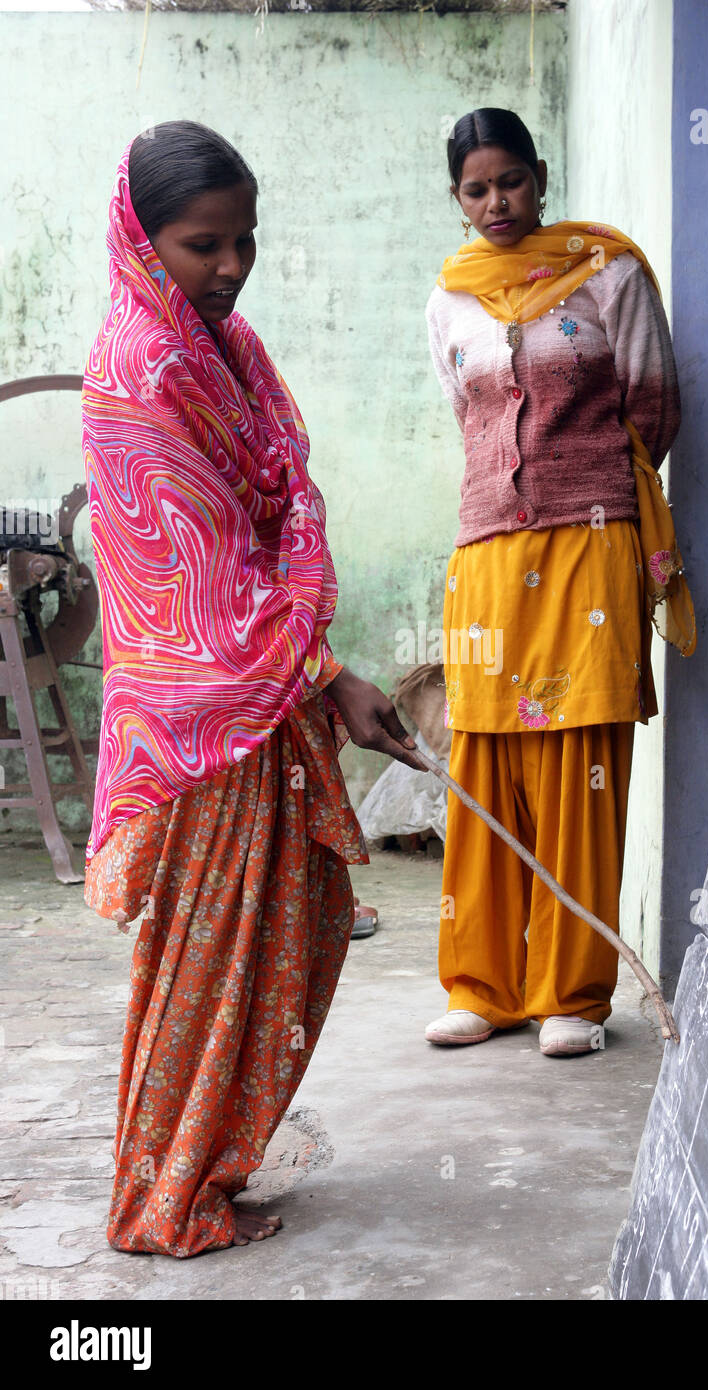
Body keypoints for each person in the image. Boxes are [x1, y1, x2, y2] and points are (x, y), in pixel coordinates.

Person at [82, 121, 425, 1257]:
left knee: (281, 933)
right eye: (203, 244)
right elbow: (204, 581)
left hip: (262, 693)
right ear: (144, 239)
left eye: (246, 240)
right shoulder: (144, 367)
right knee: (212, 966)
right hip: (203, 722)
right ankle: (161, 1195)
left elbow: (279, 507)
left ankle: (203, 1167)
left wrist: (321, 685)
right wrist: (333, 680)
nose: (230, 266)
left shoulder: (227, 347)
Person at [424, 108, 695, 1058]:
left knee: (580, 758)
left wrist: (585, 488)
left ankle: (571, 994)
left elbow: (653, 406)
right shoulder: (450, 299)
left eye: (510, 181)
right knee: (485, 760)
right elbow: (468, 413)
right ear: (456, 200)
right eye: (475, 189)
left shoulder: (608, 273)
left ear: (540, 177)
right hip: (488, 549)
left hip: (590, 540)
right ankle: (480, 985)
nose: (496, 203)